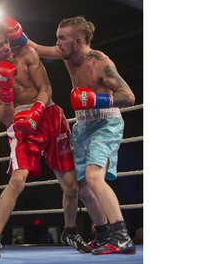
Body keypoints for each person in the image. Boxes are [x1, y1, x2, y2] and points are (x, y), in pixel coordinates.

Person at [0, 17, 92, 258]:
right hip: (20, 122)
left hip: (48, 114)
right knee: (18, 180)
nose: (6, 47)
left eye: (5, 41)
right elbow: (5, 118)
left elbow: (46, 88)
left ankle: (70, 230)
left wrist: (37, 109)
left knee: (70, 185)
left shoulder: (26, 52)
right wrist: (6, 91)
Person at [24, 16, 137, 255]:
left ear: (77, 41)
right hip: (83, 125)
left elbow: (128, 96)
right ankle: (104, 233)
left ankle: (122, 237)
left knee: (94, 177)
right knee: (84, 188)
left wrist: (97, 98)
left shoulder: (99, 62)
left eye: (61, 38)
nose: (57, 43)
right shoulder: (66, 54)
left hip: (106, 121)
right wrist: (12, 32)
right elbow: (33, 47)